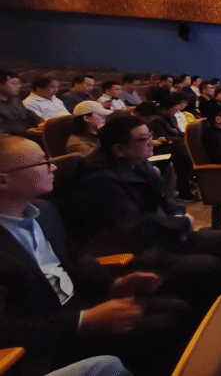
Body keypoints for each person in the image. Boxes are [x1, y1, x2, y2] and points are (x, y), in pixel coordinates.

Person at [0, 135, 191, 376]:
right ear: (3, 180)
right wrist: (83, 320)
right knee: (164, 326)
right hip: (43, 344)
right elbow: (6, 329)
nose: (53, 167)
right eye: (42, 163)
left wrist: (114, 284)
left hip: (76, 307)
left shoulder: (45, 211)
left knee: (178, 308)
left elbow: (75, 260)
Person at [69, 115, 221, 316]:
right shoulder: (99, 179)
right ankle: (203, 317)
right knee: (207, 265)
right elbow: (132, 228)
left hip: (157, 235)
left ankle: (217, 307)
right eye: (143, 139)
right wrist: (180, 224)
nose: (151, 142)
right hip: (133, 251)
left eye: (150, 135)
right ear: (119, 149)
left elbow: (166, 196)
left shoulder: (137, 160)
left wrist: (179, 214)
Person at [0, 70, 44, 135]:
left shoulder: (15, 101)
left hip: (28, 134)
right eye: (13, 83)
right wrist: (30, 132)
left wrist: (44, 124)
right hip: (13, 138)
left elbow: (30, 115)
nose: (18, 86)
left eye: (19, 83)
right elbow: (4, 128)